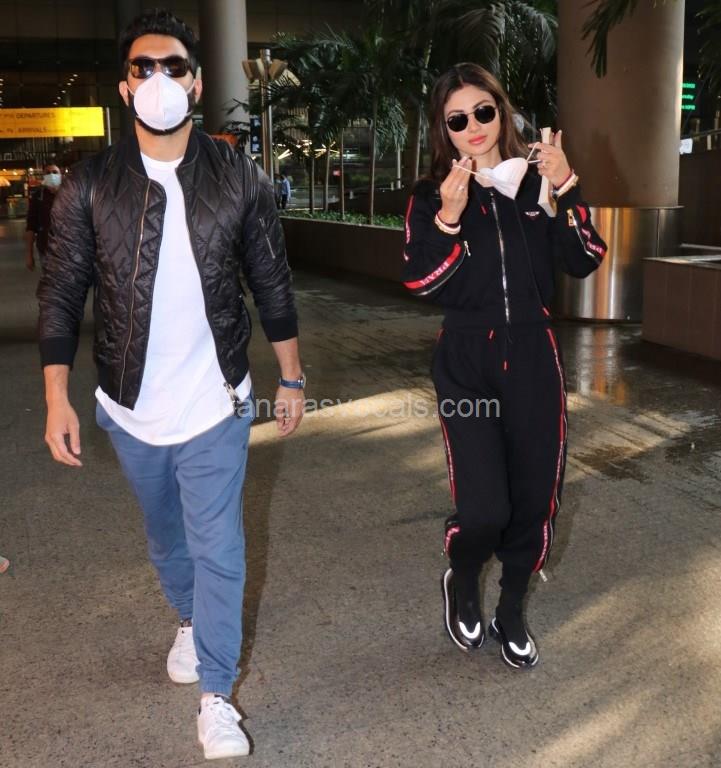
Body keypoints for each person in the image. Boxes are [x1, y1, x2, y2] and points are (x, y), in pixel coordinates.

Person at [37, 9, 305, 760]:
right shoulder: (91, 184)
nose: (159, 79)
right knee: (167, 537)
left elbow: (271, 281)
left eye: (174, 67)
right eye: (143, 68)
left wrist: (291, 375)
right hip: (130, 407)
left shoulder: (237, 176)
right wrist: (56, 397)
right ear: (125, 87)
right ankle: (187, 618)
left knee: (219, 544)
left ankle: (217, 695)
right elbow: (61, 293)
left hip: (217, 398)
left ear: (196, 82)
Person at [402, 63, 607, 668]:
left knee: (535, 498)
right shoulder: (432, 195)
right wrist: (448, 218)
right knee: (485, 507)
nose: (473, 126)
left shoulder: (535, 182)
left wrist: (566, 187)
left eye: (483, 111)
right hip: (467, 361)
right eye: (457, 119)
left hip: (534, 355)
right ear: (443, 129)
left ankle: (512, 607)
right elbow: (421, 281)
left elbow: (585, 257)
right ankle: (463, 576)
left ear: (502, 111)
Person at [25, 163, 62, 272]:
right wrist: (29, 254)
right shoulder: (38, 197)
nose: (52, 175)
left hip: (69, 249)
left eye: (55, 172)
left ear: (61, 175)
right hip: (46, 248)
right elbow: (31, 226)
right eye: (48, 173)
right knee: (50, 279)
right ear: (44, 177)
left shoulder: (71, 193)